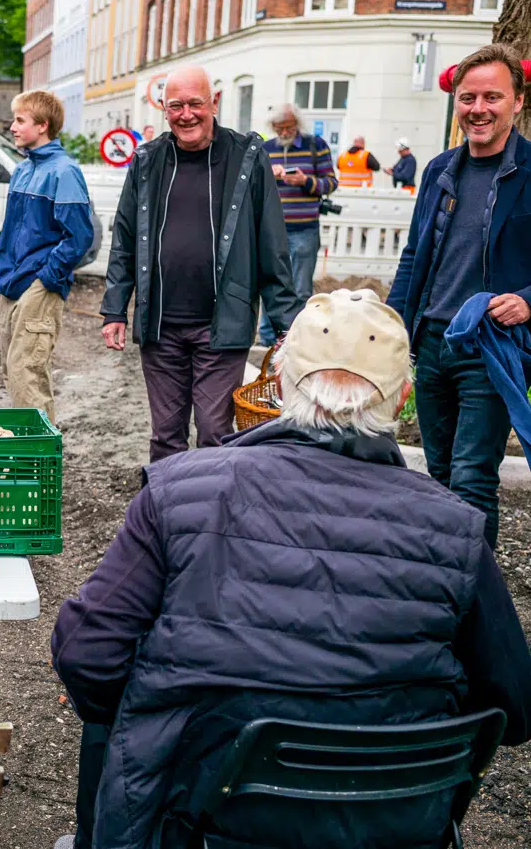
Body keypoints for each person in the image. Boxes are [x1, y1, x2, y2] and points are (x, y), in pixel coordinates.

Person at [53, 289, 531, 849]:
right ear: (403, 398)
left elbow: (87, 654)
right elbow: (513, 706)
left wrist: (155, 711)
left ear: (278, 383)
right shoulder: (457, 529)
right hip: (389, 828)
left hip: (198, 822)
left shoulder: (180, 490)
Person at [100, 66, 299, 461]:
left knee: (214, 433)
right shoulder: (147, 160)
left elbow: (272, 245)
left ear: (214, 103)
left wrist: (286, 325)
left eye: (195, 104)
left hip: (222, 325)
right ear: (164, 108)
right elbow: (125, 238)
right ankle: (164, 500)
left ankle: (209, 502)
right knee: (165, 436)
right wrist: (114, 309)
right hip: (160, 325)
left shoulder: (246, 158)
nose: (186, 114)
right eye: (176, 106)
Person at [389, 43, 531, 549]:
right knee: (442, 474)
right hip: (432, 342)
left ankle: (474, 589)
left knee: (472, 480)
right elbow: (414, 255)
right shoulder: (439, 170)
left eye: (493, 96)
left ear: (518, 101)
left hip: (490, 347)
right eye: (468, 97)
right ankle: (446, 578)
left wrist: (528, 299)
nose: (478, 108)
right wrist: (391, 331)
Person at [0, 90, 95, 420]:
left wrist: (47, 278)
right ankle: (26, 445)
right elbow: (11, 231)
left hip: (40, 285)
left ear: (43, 125)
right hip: (14, 282)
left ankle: (37, 452)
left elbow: (80, 236)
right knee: (13, 370)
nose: (12, 127)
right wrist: (3, 269)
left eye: (20, 120)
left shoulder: (64, 172)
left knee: (28, 373)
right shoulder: (23, 170)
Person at [258, 104, 337, 345]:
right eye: (278, 128)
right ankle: (268, 339)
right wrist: (267, 175)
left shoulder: (316, 145)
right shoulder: (265, 149)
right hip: (271, 230)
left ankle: (295, 339)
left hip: (304, 228)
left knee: (301, 288)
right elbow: (253, 186)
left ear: (298, 125)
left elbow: (330, 183)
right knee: (270, 284)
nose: (284, 133)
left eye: (289, 128)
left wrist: (305, 181)